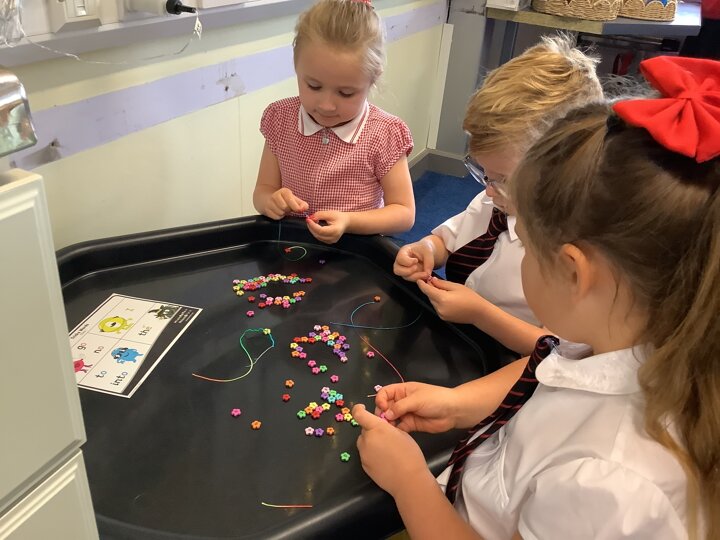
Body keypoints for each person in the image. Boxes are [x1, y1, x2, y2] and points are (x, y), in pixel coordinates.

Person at [354, 56, 720, 539]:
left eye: (525, 242)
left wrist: (409, 483)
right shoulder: (620, 334)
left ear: (574, 272)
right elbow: (549, 363)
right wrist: (459, 403)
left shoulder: (611, 487)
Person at [393, 35, 603, 355]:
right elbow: (448, 240)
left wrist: (481, 314)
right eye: (484, 173)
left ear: (565, 173)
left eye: (502, 179)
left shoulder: (577, 251)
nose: (488, 189)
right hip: (458, 340)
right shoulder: (496, 198)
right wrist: (426, 249)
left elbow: (556, 350)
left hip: (512, 362)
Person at [253, 0, 415, 245]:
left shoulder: (385, 133)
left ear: (372, 79)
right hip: (293, 247)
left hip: (358, 251)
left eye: (346, 93)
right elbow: (263, 190)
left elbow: (404, 213)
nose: (327, 105)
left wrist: (349, 221)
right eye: (313, 86)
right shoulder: (280, 119)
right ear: (296, 66)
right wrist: (270, 202)